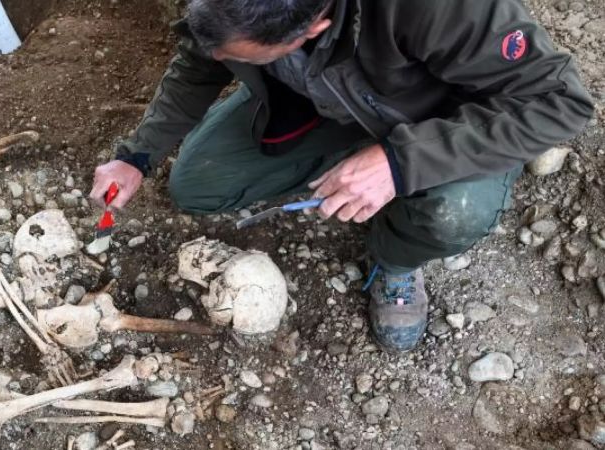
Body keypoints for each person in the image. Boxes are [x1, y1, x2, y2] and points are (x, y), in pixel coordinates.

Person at [87, 0, 594, 352]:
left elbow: (559, 103)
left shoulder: (435, 9)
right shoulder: (231, 11)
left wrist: (399, 162)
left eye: (238, 57)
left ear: (309, 29)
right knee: (199, 185)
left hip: (438, 121)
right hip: (323, 103)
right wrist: (138, 155)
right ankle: (353, 159)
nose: (220, 59)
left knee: (453, 213)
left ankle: (396, 259)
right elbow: (199, 63)